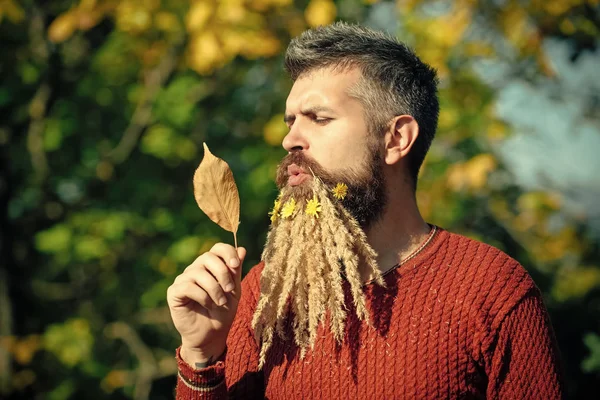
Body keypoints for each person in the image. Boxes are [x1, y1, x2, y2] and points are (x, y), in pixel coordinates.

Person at [167, 22, 565, 399]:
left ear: (396, 139)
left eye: (318, 118)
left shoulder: (492, 292)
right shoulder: (259, 295)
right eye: (290, 122)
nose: (290, 139)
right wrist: (201, 357)